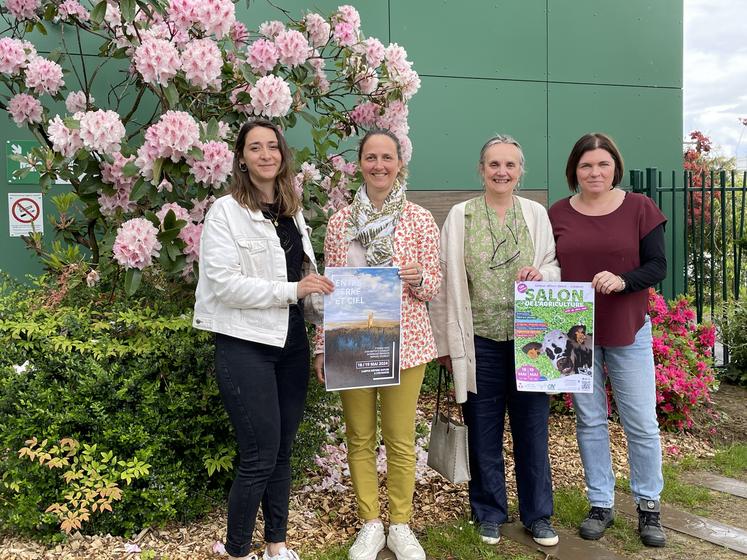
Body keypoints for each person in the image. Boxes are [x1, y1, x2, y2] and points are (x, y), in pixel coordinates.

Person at [193, 119, 335, 560]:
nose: (266, 155)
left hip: (290, 343)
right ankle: (237, 550)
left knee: (283, 452)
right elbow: (223, 284)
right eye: (255, 148)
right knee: (259, 452)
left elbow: (305, 279)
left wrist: (329, 311)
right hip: (245, 345)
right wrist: (294, 290)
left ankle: (276, 543)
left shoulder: (292, 211)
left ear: (282, 153)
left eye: (272, 146)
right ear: (241, 158)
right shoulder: (225, 212)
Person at [313, 129, 441, 560]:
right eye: (371, 157)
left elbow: (435, 285)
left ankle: (401, 525)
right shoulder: (339, 222)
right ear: (360, 163)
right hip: (354, 341)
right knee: (359, 435)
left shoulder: (419, 219)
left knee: (401, 437)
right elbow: (329, 289)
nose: (379, 165)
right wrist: (320, 347)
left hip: (407, 344)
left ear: (399, 164)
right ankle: (370, 522)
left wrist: (419, 277)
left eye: (387, 157)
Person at [429, 135, 561, 547]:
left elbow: (552, 265)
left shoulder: (536, 214)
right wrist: (446, 345)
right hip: (480, 340)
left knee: (532, 428)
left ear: (521, 171)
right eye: (494, 164)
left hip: (532, 340)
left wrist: (544, 276)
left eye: (510, 165)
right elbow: (443, 282)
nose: (502, 172)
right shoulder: (460, 216)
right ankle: (489, 512)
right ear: (481, 169)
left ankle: (538, 514)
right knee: (483, 430)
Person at [548, 132, 667, 547]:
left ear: (615, 165)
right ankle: (600, 502)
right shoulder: (558, 213)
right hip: (577, 335)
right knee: (591, 421)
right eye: (585, 165)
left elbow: (658, 266)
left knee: (641, 423)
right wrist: (536, 276)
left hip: (628, 330)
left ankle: (649, 507)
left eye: (602, 164)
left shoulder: (639, 207)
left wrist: (623, 279)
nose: (594, 172)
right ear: (574, 171)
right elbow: (551, 266)